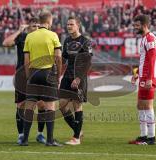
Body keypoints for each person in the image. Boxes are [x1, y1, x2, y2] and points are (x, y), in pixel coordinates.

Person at [21, 11, 62, 146]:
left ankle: (25, 140)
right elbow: (58, 57)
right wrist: (58, 75)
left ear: (39, 21)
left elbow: (26, 60)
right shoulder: (53, 35)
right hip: (48, 72)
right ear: (49, 22)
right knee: (50, 106)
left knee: (30, 106)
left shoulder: (30, 36)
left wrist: (28, 76)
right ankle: (49, 140)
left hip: (33, 73)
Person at [2, 18, 46, 145]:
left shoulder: (43, 38)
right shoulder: (22, 37)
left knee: (42, 104)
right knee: (21, 105)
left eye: (38, 26)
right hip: (22, 76)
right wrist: (19, 30)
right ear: (28, 28)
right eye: (33, 26)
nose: (36, 28)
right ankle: (21, 135)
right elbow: (6, 43)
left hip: (38, 74)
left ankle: (40, 134)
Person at [59, 16, 92, 145]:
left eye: (71, 24)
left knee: (77, 105)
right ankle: (78, 130)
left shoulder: (85, 41)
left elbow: (88, 62)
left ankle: (76, 138)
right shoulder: (66, 41)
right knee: (62, 105)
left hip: (79, 77)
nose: (69, 26)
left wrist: (78, 78)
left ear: (78, 25)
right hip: (67, 76)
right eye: (67, 24)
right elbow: (63, 59)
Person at [129, 15, 156, 145]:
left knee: (147, 105)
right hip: (143, 76)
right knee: (140, 105)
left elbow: (152, 60)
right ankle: (143, 136)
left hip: (148, 77)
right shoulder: (144, 39)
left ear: (144, 25)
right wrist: (137, 73)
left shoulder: (150, 38)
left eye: (137, 25)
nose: (135, 28)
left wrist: (149, 78)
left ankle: (151, 138)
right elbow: (144, 60)